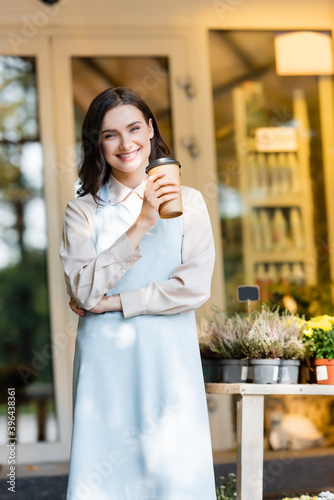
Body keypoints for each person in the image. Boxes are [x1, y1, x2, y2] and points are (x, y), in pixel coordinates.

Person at [60, 87, 216, 500]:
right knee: (107, 480)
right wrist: (143, 220)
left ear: (150, 129)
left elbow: (193, 287)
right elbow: (82, 287)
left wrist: (113, 303)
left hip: (170, 359)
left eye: (133, 128)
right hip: (105, 365)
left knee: (176, 477)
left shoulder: (190, 203)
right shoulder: (83, 211)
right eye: (111, 134)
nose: (126, 143)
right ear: (98, 143)